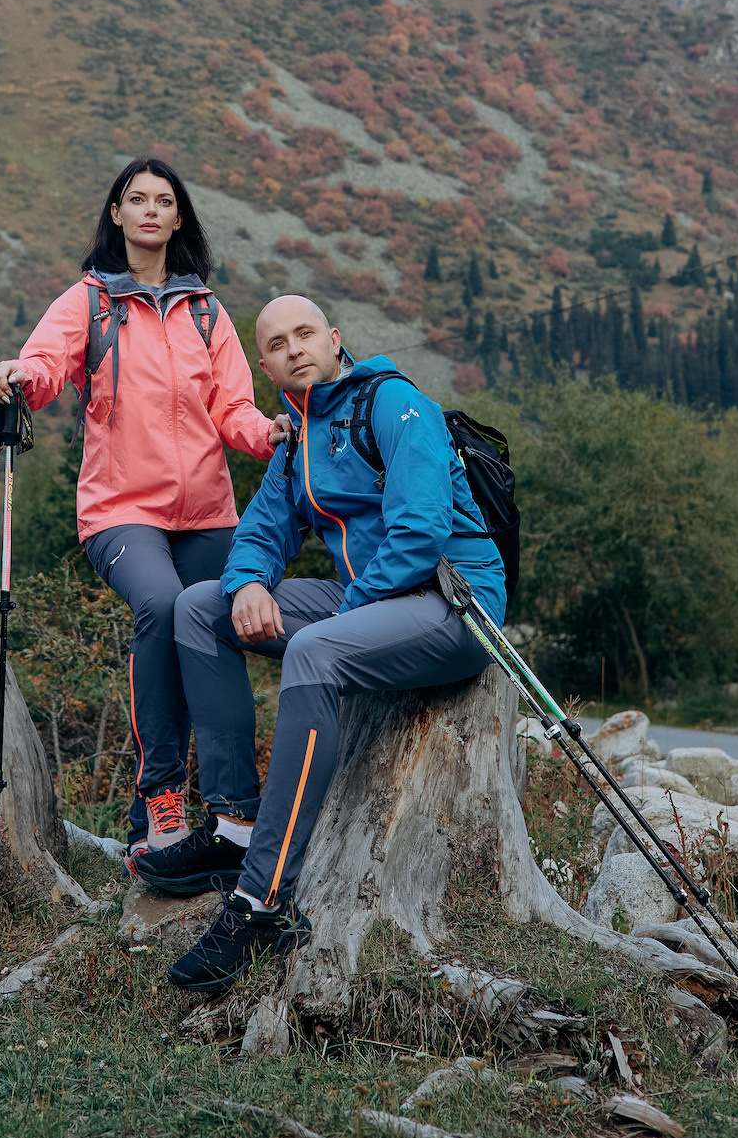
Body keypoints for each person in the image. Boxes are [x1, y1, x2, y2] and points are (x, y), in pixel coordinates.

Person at [134, 293, 507, 991]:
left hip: (451, 606)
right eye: (276, 343)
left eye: (305, 333)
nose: (294, 348)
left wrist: (344, 618)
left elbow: (421, 533)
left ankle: (262, 901)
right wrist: (247, 582)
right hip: (372, 602)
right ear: (267, 365)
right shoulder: (299, 433)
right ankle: (235, 826)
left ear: (335, 339)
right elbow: (264, 529)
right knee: (197, 607)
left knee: (314, 650)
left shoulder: (395, 405)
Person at [0, 158, 288, 871]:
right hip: (120, 512)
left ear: (179, 218)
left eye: (164, 201)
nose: (150, 210)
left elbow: (232, 410)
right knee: (161, 604)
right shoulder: (88, 302)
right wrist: (16, 377)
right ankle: (161, 797)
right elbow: (45, 367)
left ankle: (224, 816)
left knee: (211, 628)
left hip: (210, 513)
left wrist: (268, 432)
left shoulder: (205, 309)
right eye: (136, 199)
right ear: (116, 213)